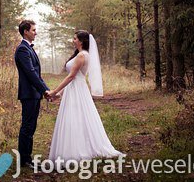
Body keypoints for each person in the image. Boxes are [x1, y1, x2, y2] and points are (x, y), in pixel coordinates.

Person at [46, 30, 126, 164]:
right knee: (76, 117)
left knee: (76, 117)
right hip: (74, 89)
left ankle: (77, 150)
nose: (73, 40)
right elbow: (73, 79)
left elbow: (71, 77)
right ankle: (76, 146)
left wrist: (54, 91)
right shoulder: (80, 54)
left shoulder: (82, 55)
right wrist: (59, 94)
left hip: (77, 90)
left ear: (81, 41)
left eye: (75, 38)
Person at [14, 19, 51, 168]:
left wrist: (46, 90)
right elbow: (30, 73)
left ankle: (27, 158)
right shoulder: (22, 49)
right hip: (28, 94)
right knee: (27, 126)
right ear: (25, 32)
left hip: (34, 94)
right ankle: (24, 160)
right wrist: (45, 90)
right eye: (33, 30)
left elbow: (36, 74)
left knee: (31, 126)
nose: (36, 33)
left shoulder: (28, 48)